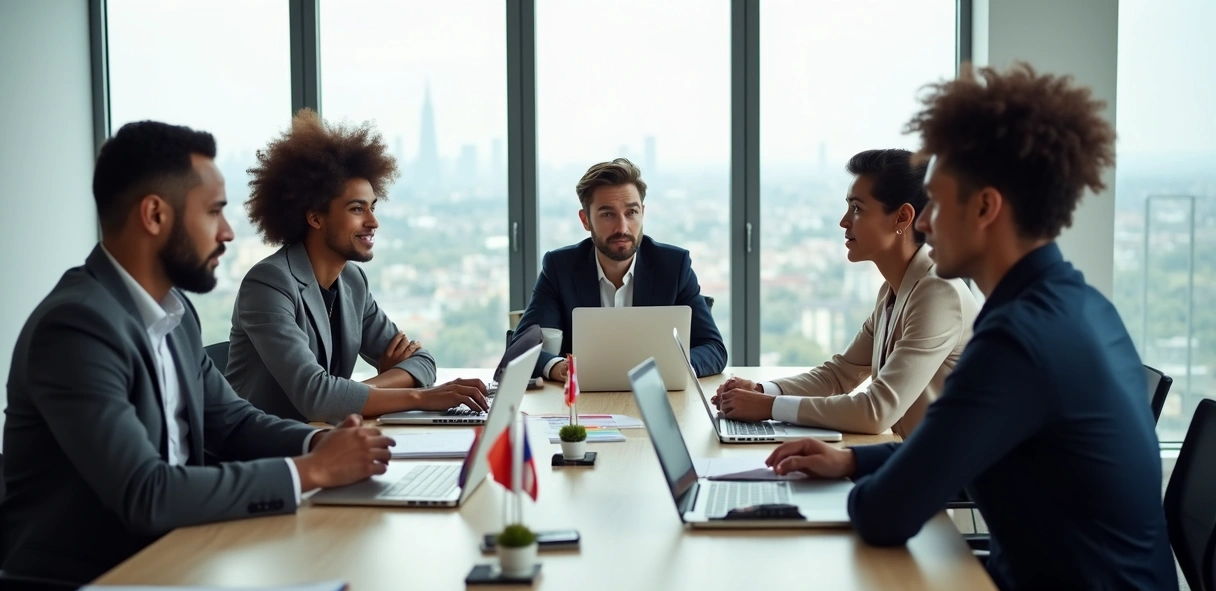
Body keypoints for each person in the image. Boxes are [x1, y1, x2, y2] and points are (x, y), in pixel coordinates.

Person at [767, 63, 1184, 591]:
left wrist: (859, 485)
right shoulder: (1076, 304)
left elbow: (885, 515)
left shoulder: (1017, 341)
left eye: (936, 204)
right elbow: (951, 446)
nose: (925, 223)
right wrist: (851, 460)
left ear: (986, 208)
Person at [0, 121, 394, 591]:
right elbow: (147, 491)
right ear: (154, 215)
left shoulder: (175, 313)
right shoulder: (77, 326)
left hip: (174, 562)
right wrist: (311, 471)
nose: (228, 232)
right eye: (213, 212)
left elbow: (232, 422)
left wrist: (322, 442)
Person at [227, 109, 487, 423]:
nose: (373, 221)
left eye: (372, 207)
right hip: (267, 447)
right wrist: (421, 397)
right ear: (315, 217)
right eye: (356, 209)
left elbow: (422, 362)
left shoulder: (352, 281)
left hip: (327, 437)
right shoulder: (268, 284)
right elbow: (318, 398)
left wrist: (353, 392)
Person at [713, 149, 978, 437]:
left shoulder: (938, 293)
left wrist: (769, 407)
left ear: (902, 217)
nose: (844, 221)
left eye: (857, 208)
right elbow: (838, 375)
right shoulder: (893, 290)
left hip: (950, 465)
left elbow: (876, 411)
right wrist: (760, 391)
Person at [512, 158, 726, 381]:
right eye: (608, 214)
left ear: (642, 213)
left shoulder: (674, 266)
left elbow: (713, 348)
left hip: (658, 394)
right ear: (585, 220)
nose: (622, 227)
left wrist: (673, 369)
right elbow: (521, 349)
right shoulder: (560, 268)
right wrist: (559, 367)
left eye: (631, 212)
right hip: (581, 399)